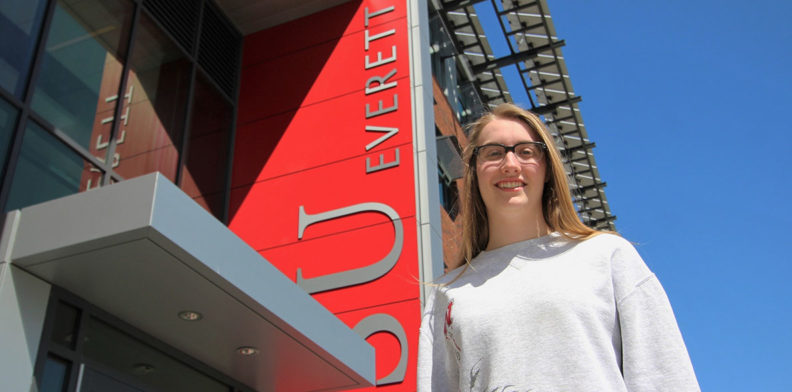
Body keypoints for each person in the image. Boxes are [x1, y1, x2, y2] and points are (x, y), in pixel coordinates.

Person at [417, 103, 699, 391]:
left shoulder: (607, 256)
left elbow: (665, 378)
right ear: (475, 172)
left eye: (526, 151)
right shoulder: (448, 293)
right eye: (493, 153)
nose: (510, 164)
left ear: (548, 168)